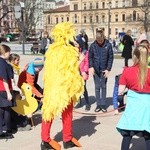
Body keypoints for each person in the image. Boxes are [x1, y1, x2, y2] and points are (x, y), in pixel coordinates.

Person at [40, 22, 84, 150]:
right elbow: (72, 69)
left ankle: (51, 139)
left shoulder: (51, 50)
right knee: (65, 112)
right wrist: (80, 59)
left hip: (52, 86)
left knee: (49, 112)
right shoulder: (69, 51)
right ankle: (63, 139)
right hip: (64, 87)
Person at [116, 45, 150, 150]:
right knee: (148, 136)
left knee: (127, 135)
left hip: (133, 106)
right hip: (146, 107)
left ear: (134, 56)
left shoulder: (127, 71)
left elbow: (120, 91)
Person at [88, 29, 114, 112]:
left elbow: (110, 57)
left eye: (101, 41)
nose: (100, 42)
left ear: (103, 38)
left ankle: (103, 104)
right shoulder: (92, 46)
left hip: (104, 70)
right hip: (95, 69)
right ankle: (98, 104)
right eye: (98, 41)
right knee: (97, 87)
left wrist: (108, 69)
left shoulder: (108, 45)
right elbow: (90, 57)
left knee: (103, 86)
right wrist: (91, 66)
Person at [8, 53, 32, 131]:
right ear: (13, 60)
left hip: (15, 90)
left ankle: (18, 123)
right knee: (14, 108)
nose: (19, 61)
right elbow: (12, 82)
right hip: (13, 90)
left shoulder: (15, 68)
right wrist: (19, 90)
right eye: (17, 60)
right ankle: (16, 124)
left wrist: (24, 70)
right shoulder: (11, 68)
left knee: (15, 108)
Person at [0, 44, 14, 139]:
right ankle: (5, 130)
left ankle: (3, 129)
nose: (9, 54)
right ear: (4, 52)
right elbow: (5, 79)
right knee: (6, 110)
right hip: (3, 90)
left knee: (2, 110)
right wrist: (8, 92)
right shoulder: (3, 64)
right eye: (8, 52)